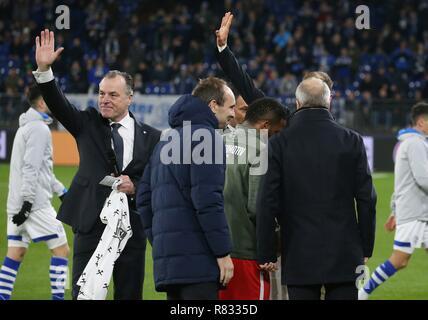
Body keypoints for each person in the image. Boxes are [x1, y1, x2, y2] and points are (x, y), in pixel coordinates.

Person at [32, 29, 161, 300]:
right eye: (102, 93)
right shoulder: (87, 123)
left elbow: (155, 180)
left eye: (113, 95)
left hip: (131, 228)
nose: (104, 99)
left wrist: (135, 187)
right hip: (90, 224)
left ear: (129, 98)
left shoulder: (152, 136)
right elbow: (58, 104)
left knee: (129, 294)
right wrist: (44, 70)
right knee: (83, 294)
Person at [257, 77, 377, 300]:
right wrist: (366, 246)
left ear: (297, 103)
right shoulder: (352, 141)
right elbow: (367, 199)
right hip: (344, 252)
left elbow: (267, 201)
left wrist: (267, 252)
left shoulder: (278, 144)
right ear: (329, 102)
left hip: (299, 253)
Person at [137, 77, 235, 300]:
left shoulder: (165, 142)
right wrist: (222, 253)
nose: (233, 114)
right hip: (199, 264)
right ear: (212, 106)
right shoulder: (207, 139)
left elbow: (143, 199)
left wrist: (163, 240)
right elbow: (208, 200)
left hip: (170, 264)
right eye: (230, 107)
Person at [0, 85, 69, 300]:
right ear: (41, 102)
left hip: (15, 202)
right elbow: (31, 168)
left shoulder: (26, 127)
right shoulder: (39, 129)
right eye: (49, 99)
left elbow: (41, 170)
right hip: (33, 204)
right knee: (61, 249)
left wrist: (61, 191)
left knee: (16, 253)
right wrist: (28, 203)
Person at [220, 97, 288, 300]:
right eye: (276, 132)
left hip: (215, 252)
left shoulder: (218, 140)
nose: (276, 138)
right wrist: (275, 242)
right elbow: (258, 208)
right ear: (265, 125)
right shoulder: (261, 150)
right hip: (246, 252)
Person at [359, 102, 428, 300]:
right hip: (415, 213)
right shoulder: (414, 144)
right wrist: (397, 211)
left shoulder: (413, 143)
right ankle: (363, 292)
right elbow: (423, 179)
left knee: (401, 260)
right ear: (422, 122)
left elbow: (402, 181)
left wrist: (394, 210)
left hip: (419, 211)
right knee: (399, 260)